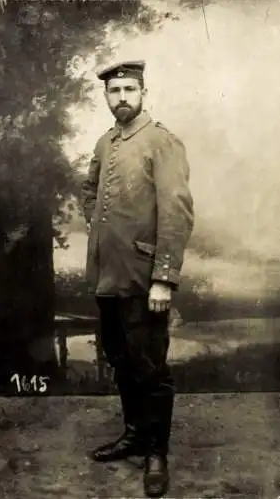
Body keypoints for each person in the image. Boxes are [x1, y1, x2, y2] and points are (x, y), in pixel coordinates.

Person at [81, 60, 194, 498]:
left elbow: (177, 212)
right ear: (106, 97)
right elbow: (90, 191)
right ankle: (134, 435)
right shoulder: (106, 142)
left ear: (143, 92)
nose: (122, 97)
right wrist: (102, 234)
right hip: (108, 277)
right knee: (122, 361)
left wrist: (164, 278)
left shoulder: (161, 142)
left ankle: (156, 454)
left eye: (129, 89)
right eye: (114, 91)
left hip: (145, 280)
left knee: (151, 367)